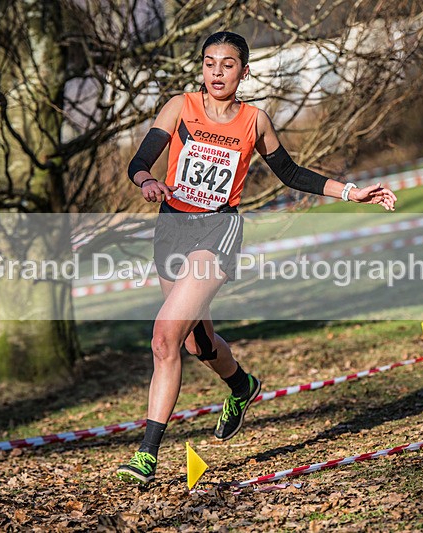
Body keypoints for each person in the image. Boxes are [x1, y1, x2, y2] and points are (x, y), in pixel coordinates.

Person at [116, 31, 397, 486]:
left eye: (228, 65)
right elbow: (140, 161)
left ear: (244, 72)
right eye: (210, 63)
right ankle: (242, 386)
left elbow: (290, 173)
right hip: (171, 230)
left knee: (164, 337)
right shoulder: (179, 106)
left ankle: (146, 454)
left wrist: (351, 192)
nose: (217, 72)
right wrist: (148, 180)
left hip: (218, 230)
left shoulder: (254, 120)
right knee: (194, 344)